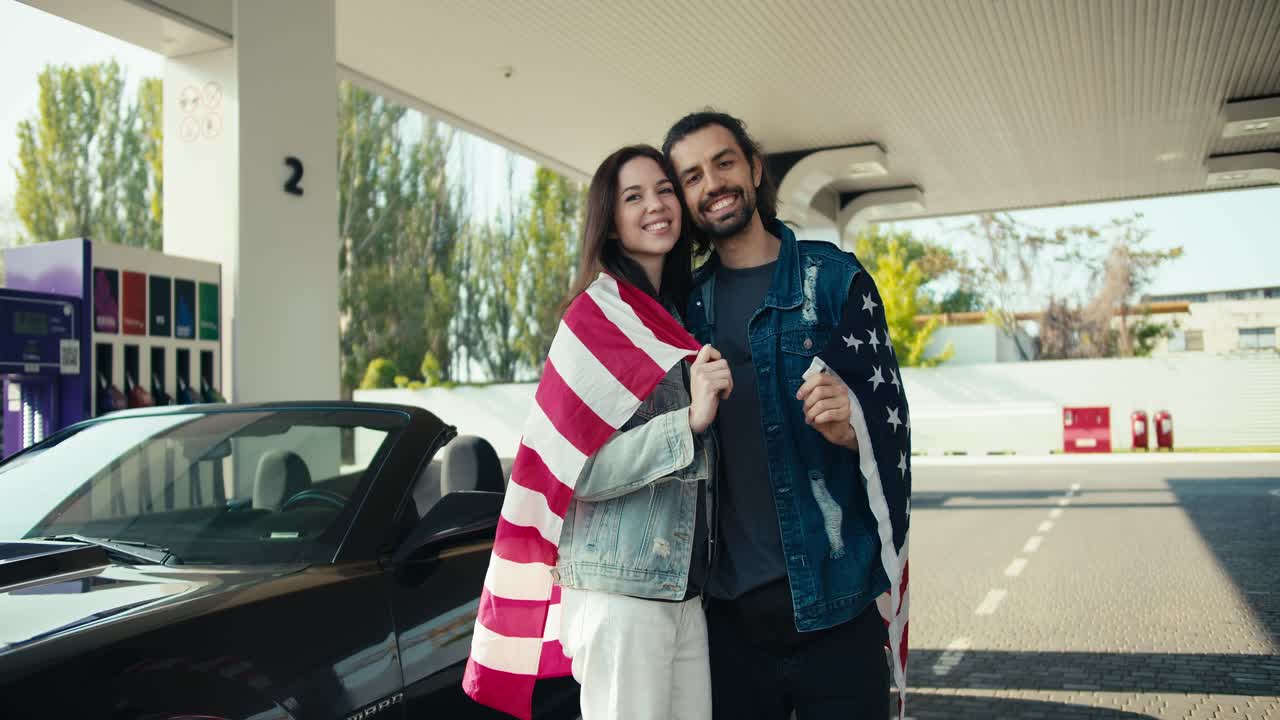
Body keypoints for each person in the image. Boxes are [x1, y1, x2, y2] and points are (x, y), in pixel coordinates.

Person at [666, 111, 907, 719]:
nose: (712, 183)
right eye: (691, 176)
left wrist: (854, 429)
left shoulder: (836, 280)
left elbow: (894, 428)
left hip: (839, 610)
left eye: (723, 162)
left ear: (753, 168)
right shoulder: (681, 311)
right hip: (727, 623)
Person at [554, 144, 730, 720]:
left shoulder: (676, 319)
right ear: (610, 223)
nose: (656, 205)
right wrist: (688, 421)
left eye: (663, 190)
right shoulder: (594, 319)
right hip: (622, 591)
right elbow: (575, 469)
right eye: (634, 196)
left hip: (682, 588)